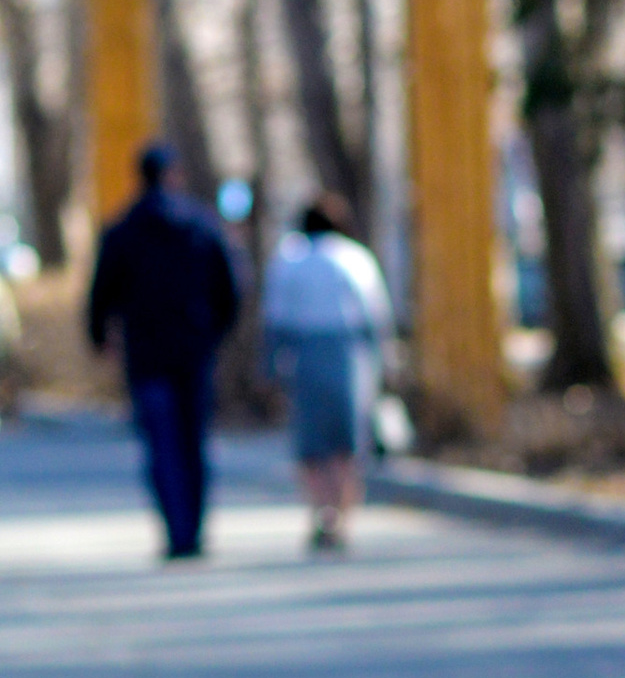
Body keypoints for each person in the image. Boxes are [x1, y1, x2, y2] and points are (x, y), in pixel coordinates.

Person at [86, 141, 241, 559]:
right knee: (194, 441)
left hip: (147, 354)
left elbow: (101, 294)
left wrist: (100, 338)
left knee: (161, 444)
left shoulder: (122, 229)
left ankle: (176, 530)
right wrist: (214, 334)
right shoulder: (203, 226)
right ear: (175, 175)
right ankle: (196, 529)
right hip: (194, 350)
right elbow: (230, 289)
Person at [262, 193, 395, 552]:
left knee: (311, 444)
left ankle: (320, 511)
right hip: (349, 355)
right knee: (347, 442)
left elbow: (274, 319)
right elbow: (376, 316)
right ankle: (343, 516)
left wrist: (271, 367)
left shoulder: (289, 259)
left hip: (303, 356)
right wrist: (385, 365)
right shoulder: (355, 258)